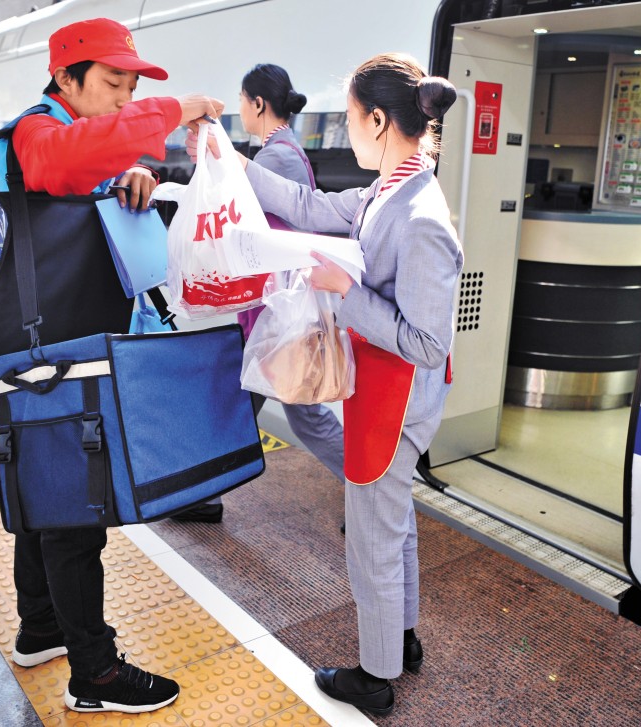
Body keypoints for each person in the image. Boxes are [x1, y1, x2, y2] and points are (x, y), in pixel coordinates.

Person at [193, 52, 462, 715]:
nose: (346, 132)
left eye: (349, 120)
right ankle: (400, 637)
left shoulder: (420, 216)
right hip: (383, 389)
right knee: (392, 525)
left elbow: (429, 343)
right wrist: (227, 156)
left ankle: (375, 674)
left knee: (374, 534)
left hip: (399, 398)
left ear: (377, 119)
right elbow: (307, 204)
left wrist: (346, 294)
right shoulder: (390, 189)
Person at [0, 17, 223, 714]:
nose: (125, 99)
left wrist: (132, 174)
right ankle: (94, 674)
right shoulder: (32, 131)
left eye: (134, 88)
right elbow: (60, 161)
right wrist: (172, 109)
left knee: (45, 492)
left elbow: (83, 172)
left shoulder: (67, 134)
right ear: (65, 79)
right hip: (46, 353)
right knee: (73, 514)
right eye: (113, 84)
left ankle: (40, 628)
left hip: (50, 347)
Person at [174, 63, 345, 525]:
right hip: (272, 307)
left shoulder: (278, 157)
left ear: (257, 104)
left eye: (242, 101)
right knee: (250, 401)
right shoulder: (280, 150)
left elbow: (246, 215)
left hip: (277, 309)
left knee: (268, 406)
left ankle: (370, 484)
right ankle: (198, 493)